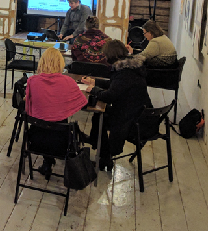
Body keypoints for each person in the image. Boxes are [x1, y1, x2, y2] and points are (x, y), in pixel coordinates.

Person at [84, 40, 152, 171]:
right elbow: (115, 85)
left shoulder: (124, 73)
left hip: (131, 121)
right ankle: (98, 147)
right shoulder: (132, 67)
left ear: (111, 56)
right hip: (139, 113)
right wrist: (95, 81)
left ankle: (104, 155)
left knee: (99, 117)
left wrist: (93, 90)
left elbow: (109, 96)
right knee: (98, 116)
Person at [24, 47, 91, 179]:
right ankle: (49, 162)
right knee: (57, 121)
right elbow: (83, 103)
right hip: (62, 141)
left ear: (42, 62)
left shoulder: (32, 81)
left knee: (45, 121)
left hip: (35, 139)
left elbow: (28, 107)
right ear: (61, 63)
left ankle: (47, 162)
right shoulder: (68, 82)